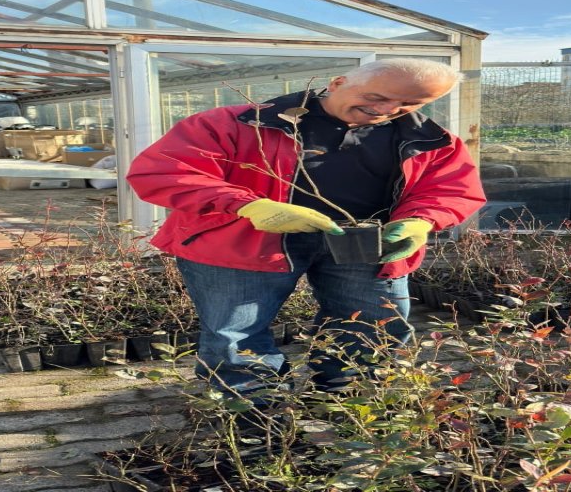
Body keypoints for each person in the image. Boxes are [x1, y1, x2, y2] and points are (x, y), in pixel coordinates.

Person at [126, 58, 486, 399]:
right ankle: (252, 412)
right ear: (338, 83)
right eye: (376, 97)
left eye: (409, 102)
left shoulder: (433, 141)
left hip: (366, 243)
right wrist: (247, 205)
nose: (386, 110)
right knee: (236, 334)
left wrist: (421, 221)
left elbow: (451, 189)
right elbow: (162, 172)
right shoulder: (235, 123)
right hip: (241, 240)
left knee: (372, 326)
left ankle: (350, 402)